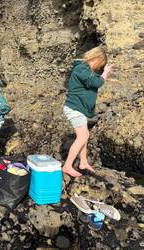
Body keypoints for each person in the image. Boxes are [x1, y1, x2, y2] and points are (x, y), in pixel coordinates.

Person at [62, 47, 112, 177]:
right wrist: (105, 73)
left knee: (85, 134)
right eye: (100, 64)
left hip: (79, 108)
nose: (98, 68)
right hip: (74, 108)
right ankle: (67, 166)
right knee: (83, 136)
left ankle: (83, 162)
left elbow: (94, 78)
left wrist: (102, 72)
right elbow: (95, 82)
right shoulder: (81, 68)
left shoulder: (86, 70)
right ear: (95, 58)